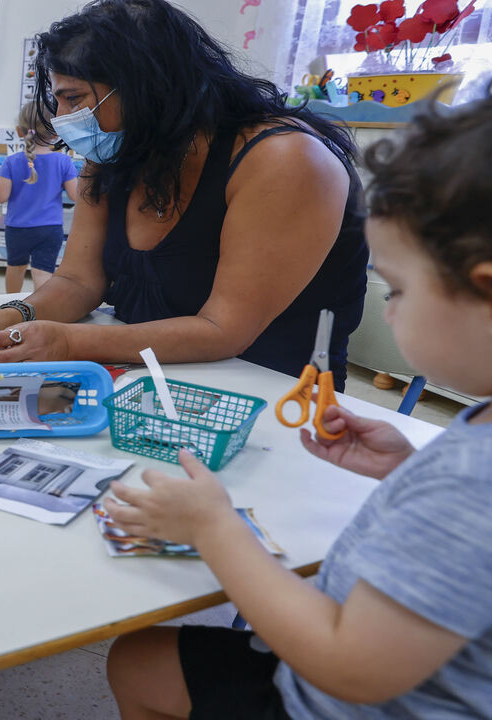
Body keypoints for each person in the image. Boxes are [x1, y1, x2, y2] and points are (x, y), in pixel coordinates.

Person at [102, 94, 492, 719]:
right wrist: (408, 466)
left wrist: (213, 529)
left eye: (398, 288)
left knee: (141, 659)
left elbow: (352, 667)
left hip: (348, 697)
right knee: (142, 660)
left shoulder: (471, 489)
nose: (387, 310)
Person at [0, 0, 368, 391]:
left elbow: (222, 331)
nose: (66, 119)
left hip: (270, 392)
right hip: (150, 374)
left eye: (76, 99)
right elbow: (78, 282)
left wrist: (66, 340)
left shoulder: (284, 160)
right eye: (60, 101)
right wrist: (13, 315)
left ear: (148, 88)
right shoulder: (119, 148)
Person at [0, 102, 80, 293]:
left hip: (18, 229)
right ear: (56, 133)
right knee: (42, 272)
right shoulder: (64, 161)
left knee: (15, 268)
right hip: (50, 229)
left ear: (19, 131)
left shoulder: (11, 162)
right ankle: (42, 311)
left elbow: (0, 196)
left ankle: (10, 305)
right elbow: (76, 195)